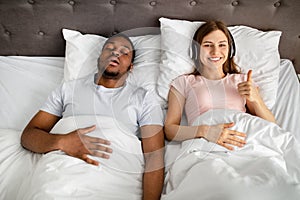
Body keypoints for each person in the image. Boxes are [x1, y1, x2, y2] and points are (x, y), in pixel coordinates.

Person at [21, 33, 165, 200]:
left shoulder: (143, 98)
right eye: (109, 49)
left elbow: (154, 156)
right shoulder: (67, 90)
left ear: (131, 66)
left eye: (124, 52)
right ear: (99, 58)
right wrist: (61, 141)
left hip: (116, 176)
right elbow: (28, 136)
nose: (115, 53)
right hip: (64, 173)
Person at [164, 20, 276, 150]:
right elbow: (170, 131)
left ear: (230, 50)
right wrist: (204, 131)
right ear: (196, 49)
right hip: (205, 145)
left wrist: (256, 99)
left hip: (242, 142)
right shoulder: (183, 82)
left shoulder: (242, 80)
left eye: (222, 45)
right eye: (208, 45)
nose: (215, 52)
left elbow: (271, 127)